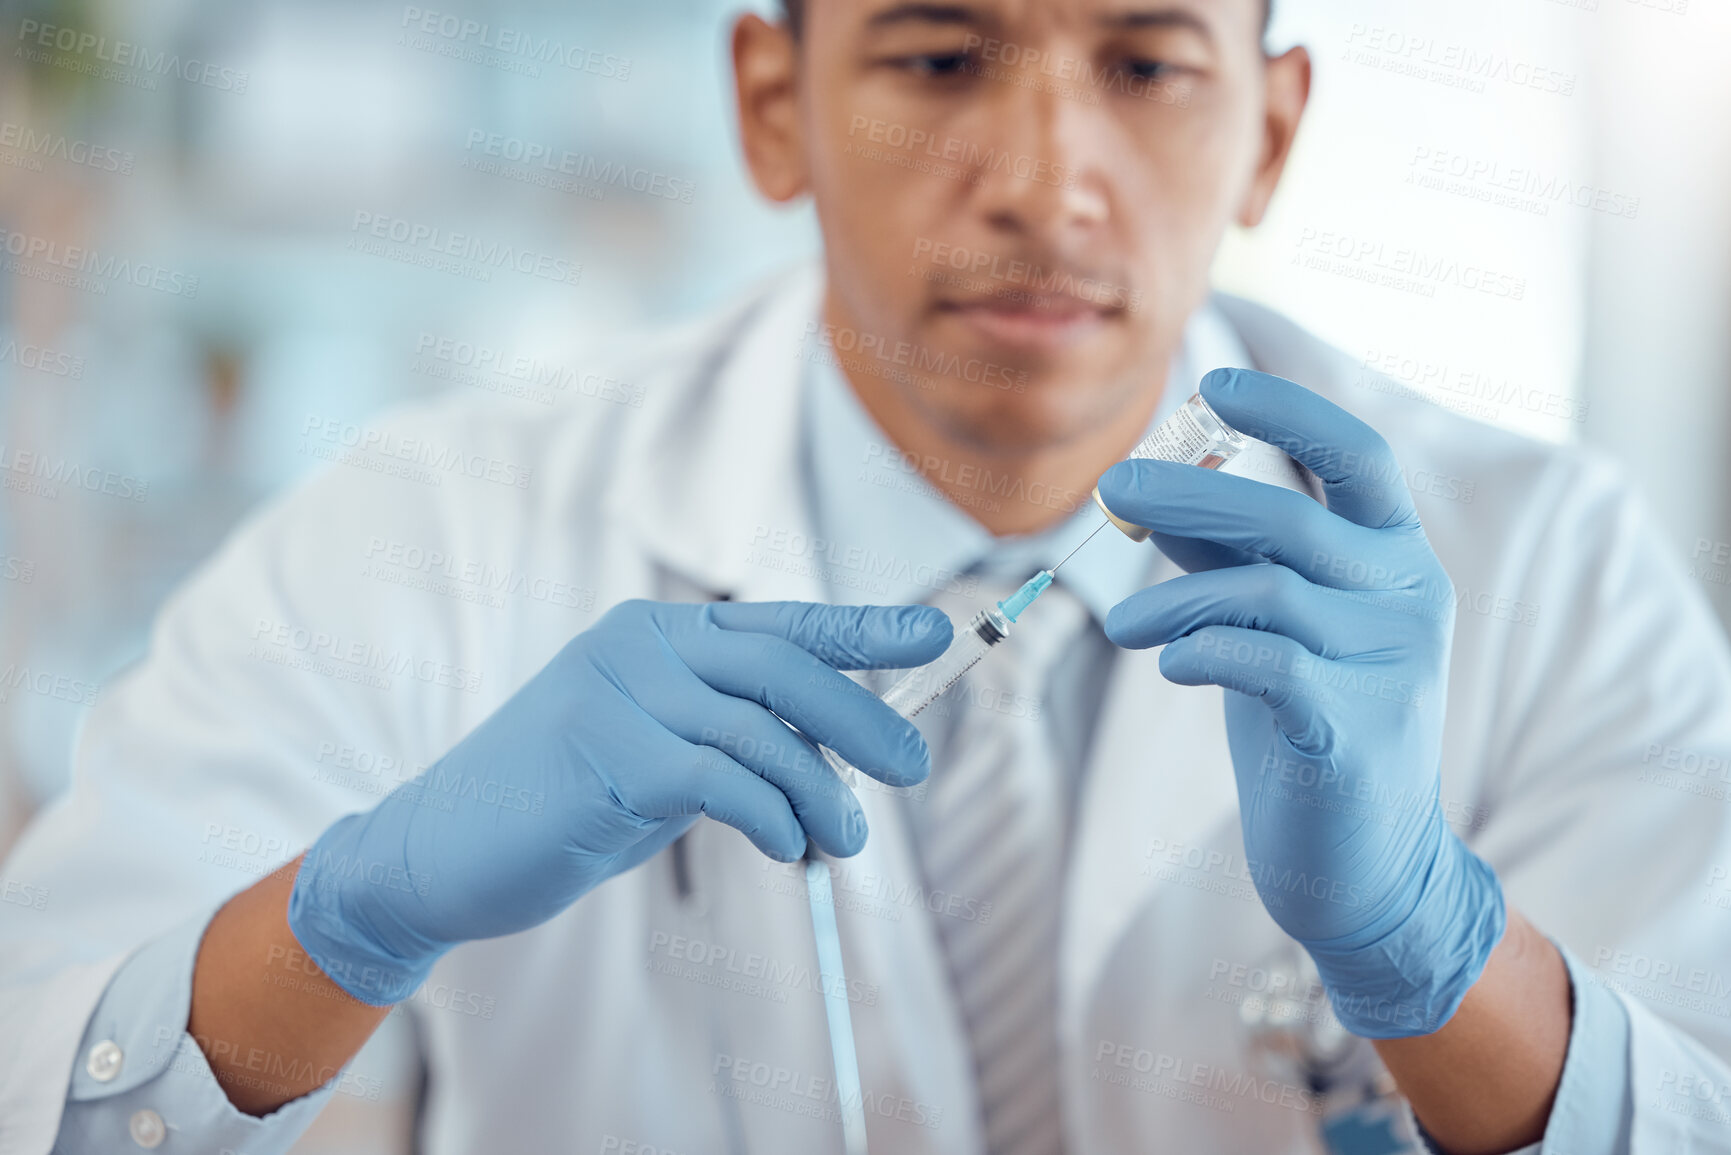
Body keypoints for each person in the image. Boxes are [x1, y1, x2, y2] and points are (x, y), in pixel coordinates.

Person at [5, 0, 1731, 1151]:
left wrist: (1431, 949)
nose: (1049, 183)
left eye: (1145, 65)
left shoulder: (1553, 567)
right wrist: (349, 918)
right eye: (939, 59)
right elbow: (52, 1080)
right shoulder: (420, 534)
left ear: (1272, 131)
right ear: (775, 106)